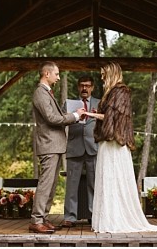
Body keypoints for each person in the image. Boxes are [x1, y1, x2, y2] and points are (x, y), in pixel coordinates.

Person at [85, 62, 157, 233]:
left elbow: (111, 118)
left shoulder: (120, 91)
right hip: (107, 143)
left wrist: (90, 114)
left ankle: (115, 220)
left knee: (114, 179)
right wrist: (97, 114)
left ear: (111, 74)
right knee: (107, 180)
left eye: (104, 74)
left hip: (114, 143)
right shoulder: (112, 93)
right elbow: (110, 116)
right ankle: (107, 218)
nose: (102, 78)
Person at [29, 62, 86, 234]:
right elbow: (52, 118)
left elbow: (56, 116)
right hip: (49, 145)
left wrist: (75, 115)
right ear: (47, 73)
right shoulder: (40, 93)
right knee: (45, 184)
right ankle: (36, 220)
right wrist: (75, 116)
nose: (59, 77)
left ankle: (43, 218)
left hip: (55, 145)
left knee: (51, 185)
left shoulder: (46, 92)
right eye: (57, 74)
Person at [61, 75, 99, 228]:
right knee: (72, 185)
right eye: (82, 85)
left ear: (92, 87)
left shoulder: (99, 103)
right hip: (74, 147)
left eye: (87, 86)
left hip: (93, 148)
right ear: (78, 87)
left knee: (94, 185)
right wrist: (74, 115)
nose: (84, 88)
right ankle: (70, 217)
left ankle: (94, 215)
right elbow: (62, 120)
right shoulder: (69, 104)